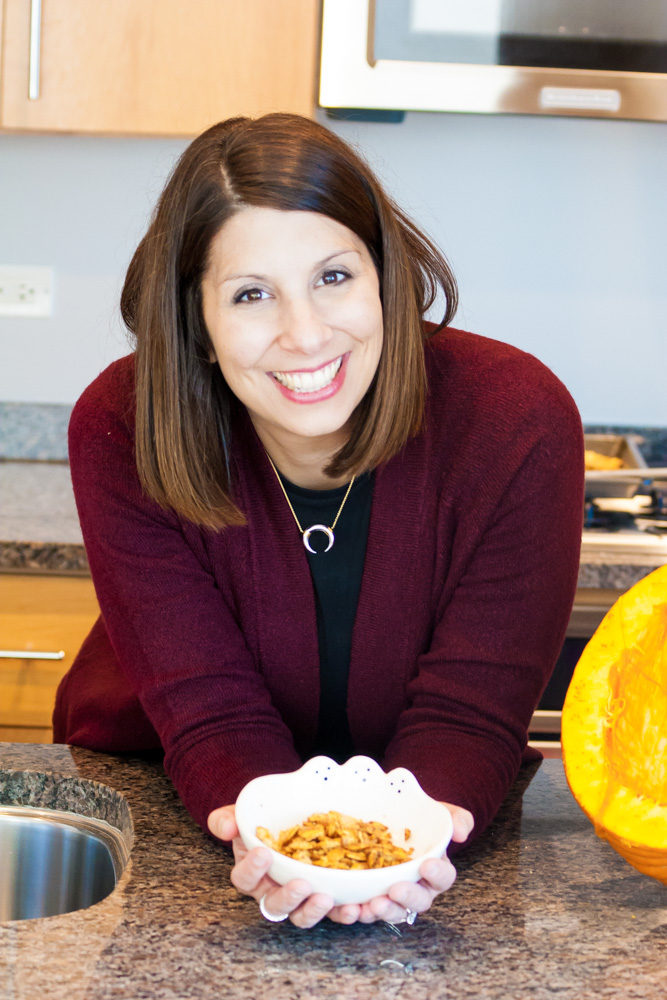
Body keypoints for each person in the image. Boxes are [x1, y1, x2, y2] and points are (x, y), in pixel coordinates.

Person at [53, 113, 584, 929]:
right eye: (251, 294)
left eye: (333, 278)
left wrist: (401, 850)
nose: (304, 335)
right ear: (195, 321)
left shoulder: (515, 419)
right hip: (172, 803)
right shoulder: (125, 425)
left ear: (385, 278)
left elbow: (469, 711)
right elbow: (212, 711)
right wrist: (286, 850)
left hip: (440, 824)